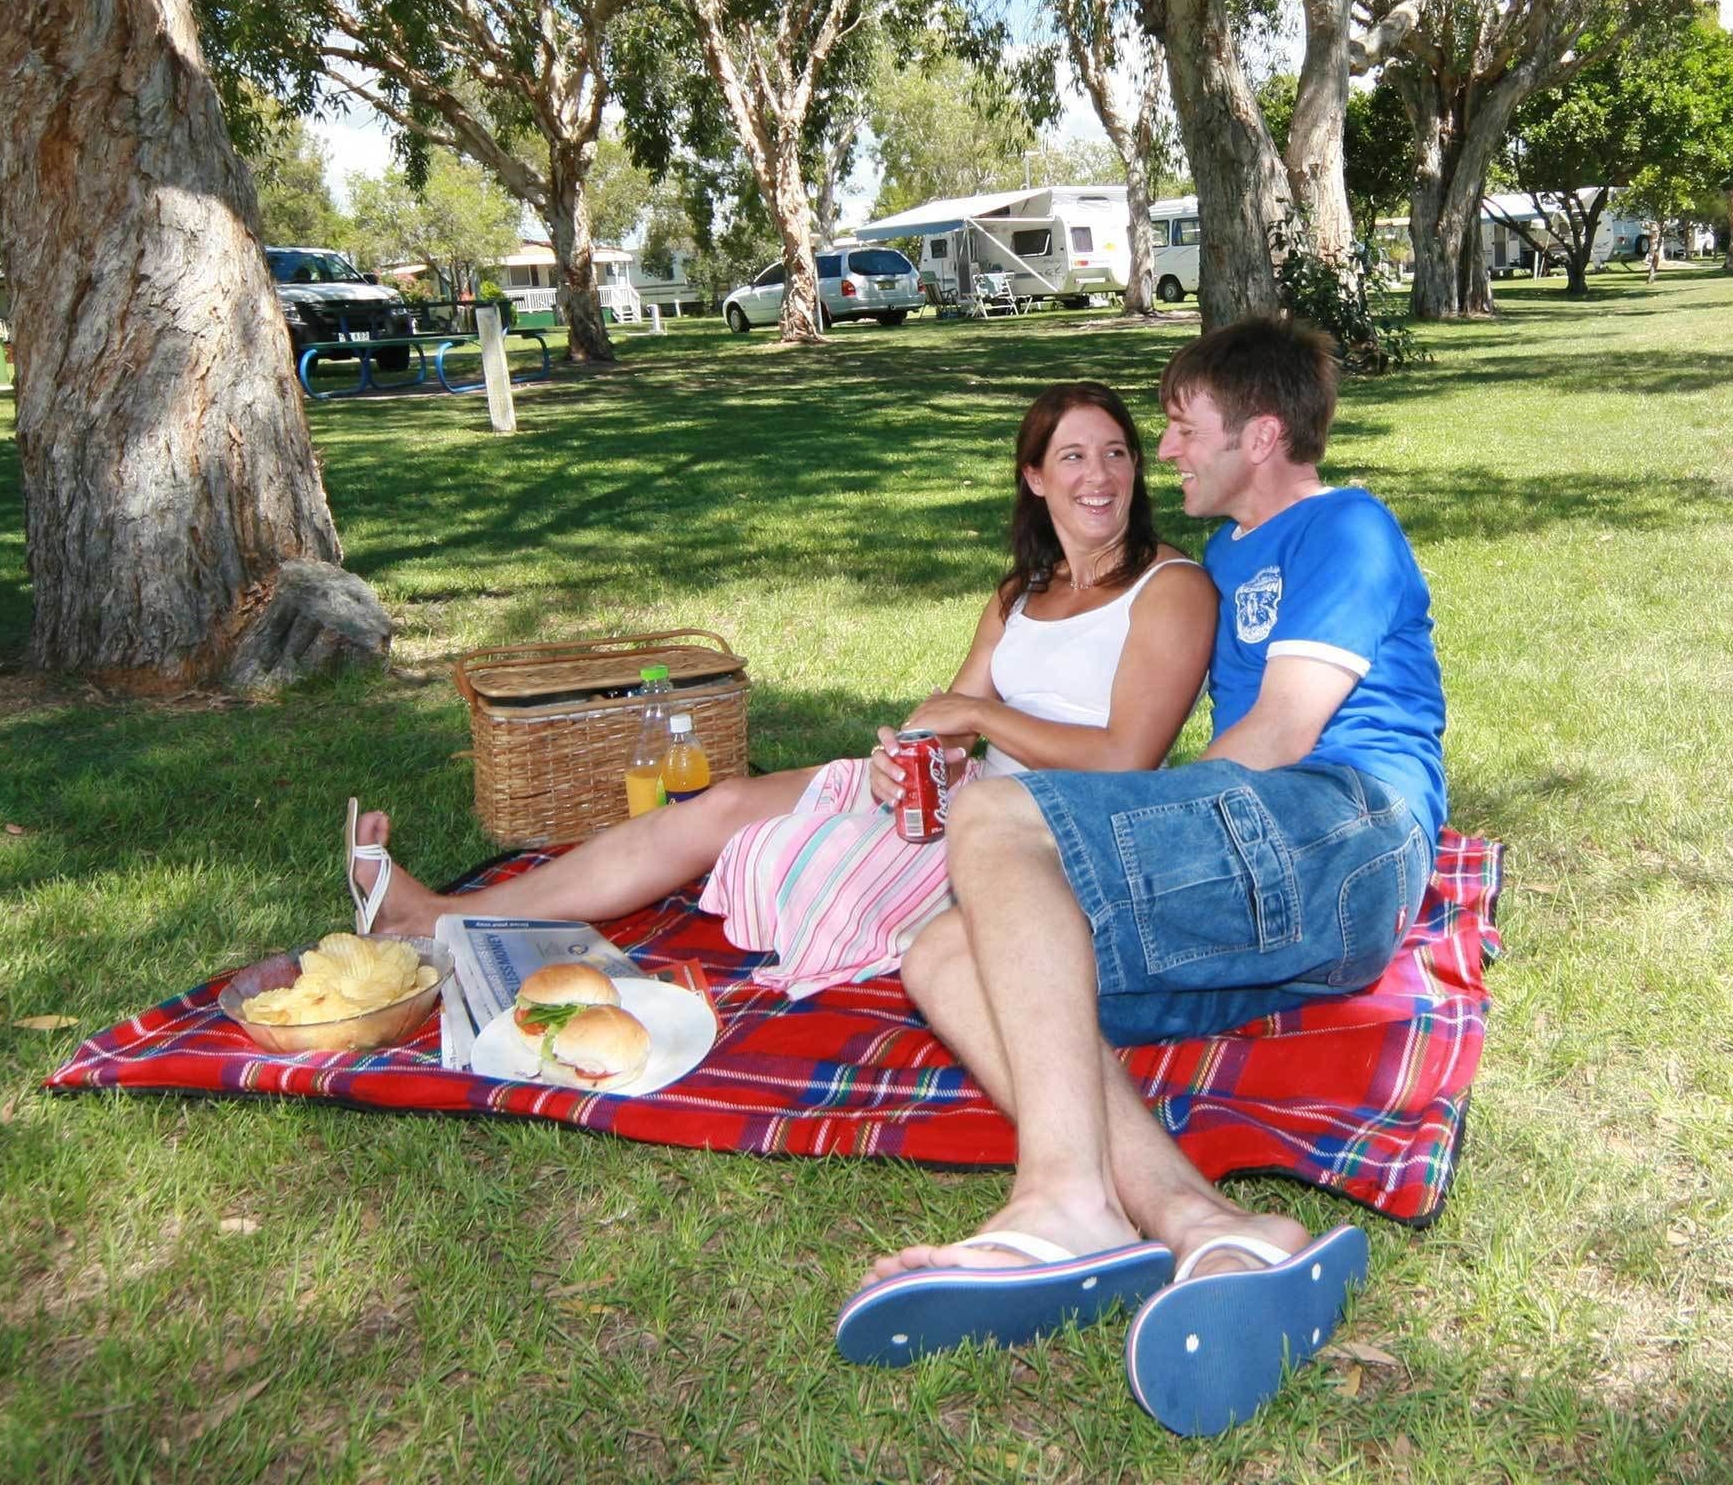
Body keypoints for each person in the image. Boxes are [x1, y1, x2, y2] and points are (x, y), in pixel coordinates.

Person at [837, 316, 1448, 1440]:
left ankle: (1063, 1194)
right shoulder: (1229, 557)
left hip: (1353, 831)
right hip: (1278, 876)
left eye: (1179, 428)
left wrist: (1094, 820)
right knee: (944, 948)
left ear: (1261, 436)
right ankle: (1198, 1223)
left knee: (999, 820)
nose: (1162, 452)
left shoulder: (1345, 528)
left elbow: (1278, 734)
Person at [344, 383, 1216, 996]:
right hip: (976, 789)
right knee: (724, 806)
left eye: (1115, 454)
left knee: (808, 871)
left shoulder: (1168, 589)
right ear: (1035, 477)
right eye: (1073, 456)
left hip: (1059, 825)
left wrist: (982, 721)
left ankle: (451, 920)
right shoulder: (1019, 593)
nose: (1098, 476)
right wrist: (908, 759)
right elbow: (946, 725)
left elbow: (1127, 759)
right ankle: (445, 915)